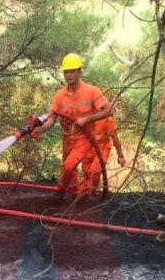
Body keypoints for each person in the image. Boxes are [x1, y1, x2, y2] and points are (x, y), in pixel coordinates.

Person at [32, 53, 115, 196]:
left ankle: (59, 193)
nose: (68, 75)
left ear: (80, 71)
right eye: (66, 71)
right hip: (67, 139)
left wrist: (87, 119)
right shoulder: (59, 95)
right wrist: (41, 129)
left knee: (68, 166)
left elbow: (110, 111)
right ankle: (76, 195)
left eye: (72, 71)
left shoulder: (92, 91)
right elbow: (52, 118)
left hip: (84, 138)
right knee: (69, 170)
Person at [88, 107, 126, 194]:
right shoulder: (87, 115)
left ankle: (91, 192)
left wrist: (120, 155)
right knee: (86, 169)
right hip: (89, 146)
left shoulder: (108, 120)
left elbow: (114, 137)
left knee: (96, 170)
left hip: (102, 147)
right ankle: (85, 190)